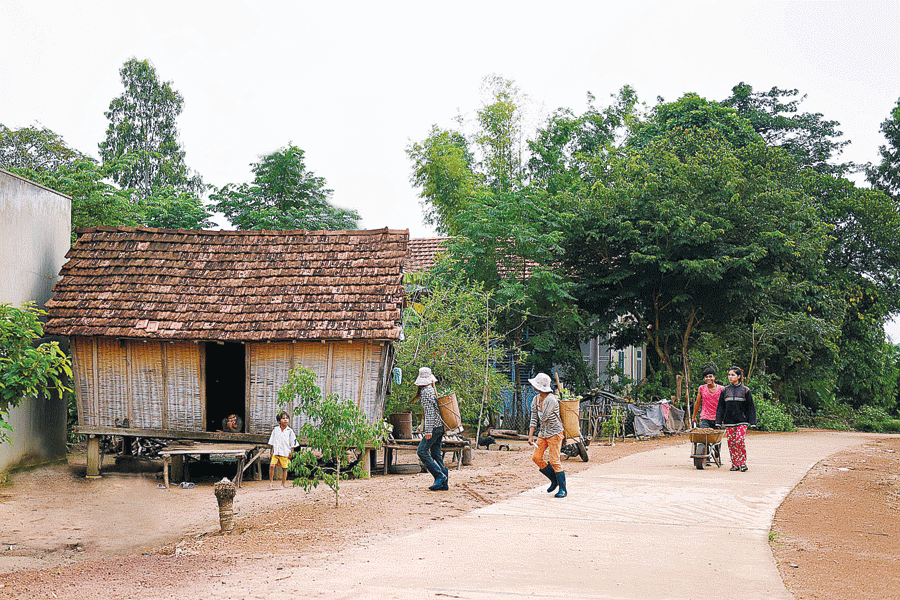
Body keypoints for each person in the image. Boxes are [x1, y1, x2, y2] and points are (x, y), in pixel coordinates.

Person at [528, 372, 567, 498]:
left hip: (555, 433)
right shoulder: (536, 399)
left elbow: (543, 417)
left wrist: (539, 408)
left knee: (555, 460)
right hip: (543, 433)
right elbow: (533, 418)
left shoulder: (551, 399)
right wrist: (530, 435)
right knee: (536, 457)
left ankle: (563, 488)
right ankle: (554, 479)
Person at [715, 366, 756, 472]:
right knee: (731, 442)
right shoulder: (725, 391)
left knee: (740, 440)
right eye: (729, 375)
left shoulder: (745, 390)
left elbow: (750, 407)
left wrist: (752, 421)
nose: (730, 377)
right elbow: (720, 407)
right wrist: (718, 421)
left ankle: (743, 463)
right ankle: (735, 464)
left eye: (732, 375)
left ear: (738, 376)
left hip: (742, 420)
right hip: (729, 422)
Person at [414, 366, 448, 491]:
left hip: (434, 427)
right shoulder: (431, 389)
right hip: (440, 427)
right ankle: (444, 482)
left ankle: (440, 476)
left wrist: (428, 431)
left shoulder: (426, 392)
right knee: (436, 454)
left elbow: (430, 414)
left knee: (421, 451)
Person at [691, 367, 723, 465]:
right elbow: (697, 402)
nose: (708, 378)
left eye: (710, 376)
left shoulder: (721, 389)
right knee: (704, 438)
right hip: (705, 417)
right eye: (706, 377)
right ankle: (706, 457)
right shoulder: (702, 388)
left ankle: (716, 454)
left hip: (717, 418)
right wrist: (694, 416)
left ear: (714, 377)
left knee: (716, 440)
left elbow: (724, 404)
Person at [267, 411, 298, 488]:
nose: (285, 420)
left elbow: (292, 443)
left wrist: (292, 452)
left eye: (287, 418)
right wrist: (271, 451)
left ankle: (283, 484)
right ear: (279, 421)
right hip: (276, 452)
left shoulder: (290, 431)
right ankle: (270, 482)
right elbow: (273, 441)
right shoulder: (276, 430)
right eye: (283, 418)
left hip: (285, 452)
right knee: (272, 465)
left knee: (284, 468)